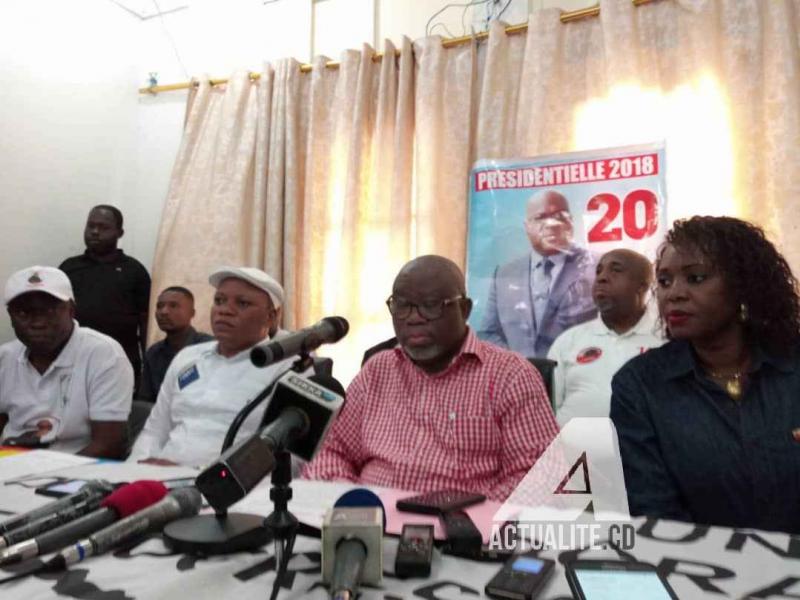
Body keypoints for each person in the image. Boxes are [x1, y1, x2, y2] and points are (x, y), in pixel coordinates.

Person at [303, 255, 558, 502]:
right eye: (402, 305)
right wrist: (357, 502)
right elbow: (332, 453)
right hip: (371, 527)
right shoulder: (376, 371)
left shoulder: (510, 375)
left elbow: (541, 478)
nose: (414, 318)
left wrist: (464, 520)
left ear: (464, 309)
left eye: (431, 305)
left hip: (462, 537)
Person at [610, 216, 800, 534]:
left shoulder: (792, 363)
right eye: (665, 282)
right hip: (700, 570)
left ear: (744, 286)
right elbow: (653, 508)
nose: (674, 294)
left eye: (696, 278)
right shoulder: (640, 385)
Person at [128, 267, 302, 467]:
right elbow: (155, 431)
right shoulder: (187, 358)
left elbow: (292, 460)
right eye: (219, 301)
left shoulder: (291, 366)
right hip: (159, 480)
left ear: (271, 316)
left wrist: (193, 475)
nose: (224, 310)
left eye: (242, 303)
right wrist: (133, 471)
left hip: (231, 491)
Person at [0, 266, 133, 457]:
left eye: (49, 311)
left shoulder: (104, 354)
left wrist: (47, 477)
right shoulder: (5, 357)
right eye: (23, 313)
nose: (37, 322)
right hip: (10, 464)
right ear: (10, 316)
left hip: (75, 470)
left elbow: (109, 445)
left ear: (71, 310)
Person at [548, 249, 662, 426]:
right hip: (575, 451)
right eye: (599, 271)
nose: (602, 278)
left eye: (616, 270)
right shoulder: (568, 341)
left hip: (646, 451)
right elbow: (547, 409)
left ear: (643, 286)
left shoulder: (666, 339)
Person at [479, 189, 596, 358]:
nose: (552, 224)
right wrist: (518, 365)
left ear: (571, 221)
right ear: (527, 227)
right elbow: (488, 333)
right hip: (518, 379)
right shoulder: (504, 274)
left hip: (578, 377)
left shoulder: (597, 267)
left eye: (559, 216)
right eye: (541, 217)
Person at [59, 205, 151, 382]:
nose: (95, 232)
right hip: (72, 360)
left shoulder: (134, 270)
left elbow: (145, 321)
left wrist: (147, 362)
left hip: (119, 362)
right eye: (90, 226)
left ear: (120, 232)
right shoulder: (69, 267)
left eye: (104, 227)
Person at [137, 286, 213, 404]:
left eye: (173, 306)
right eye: (159, 306)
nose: (164, 312)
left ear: (192, 313)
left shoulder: (209, 348)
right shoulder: (153, 353)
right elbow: (145, 401)